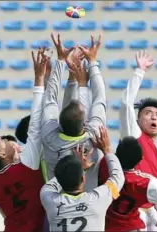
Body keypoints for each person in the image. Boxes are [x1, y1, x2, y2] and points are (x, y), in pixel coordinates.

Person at [0, 48, 49, 232]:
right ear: (2, 153)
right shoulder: (28, 163)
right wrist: (40, 79)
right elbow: (37, 120)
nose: (7, 140)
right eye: (1, 140)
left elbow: (4, 213)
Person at [41, 33, 107, 191]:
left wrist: (61, 63)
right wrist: (92, 62)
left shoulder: (49, 135)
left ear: (59, 124)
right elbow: (99, 98)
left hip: (56, 206)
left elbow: (50, 99)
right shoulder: (94, 137)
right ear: (84, 125)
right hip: (90, 206)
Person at [116, 50, 157, 227]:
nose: (154, 117)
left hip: (149, 213)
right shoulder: (133, 135)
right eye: (148, 113)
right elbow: (125, 104)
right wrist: (140, 71)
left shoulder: (155, 151)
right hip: (131, 212)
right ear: (137, 120)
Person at [40, 126, 125, 231]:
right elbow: (118, 178)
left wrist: (78, 169)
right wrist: (106, 150)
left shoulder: (48, 198)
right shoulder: (98, 199)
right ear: (83, 179)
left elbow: (57, 180)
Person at [99, 136, 157, 232]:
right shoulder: (144, 183)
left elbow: (119, 194)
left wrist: (106, 151)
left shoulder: (103, 166)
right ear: (141, 159)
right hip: (130, 228)